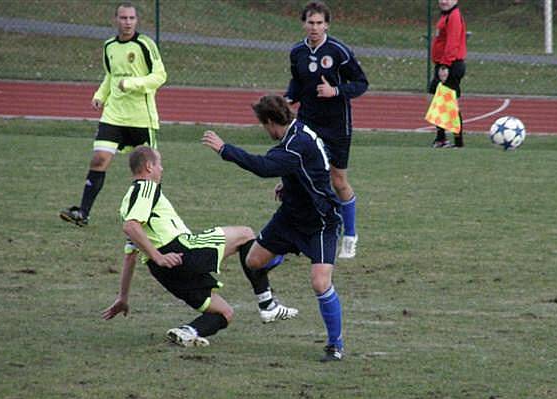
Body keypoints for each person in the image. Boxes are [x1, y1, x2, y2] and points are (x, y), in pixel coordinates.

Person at [102, 146, 298, 347]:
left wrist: (123, 297)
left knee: (224, 313)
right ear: (149, 167)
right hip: (181, 252)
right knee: (245, 234)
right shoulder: (145, 187)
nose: (162, 169)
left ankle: (188, 332)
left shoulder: (127, 203)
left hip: (164, 271)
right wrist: (159, 255)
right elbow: (131, 226)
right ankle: (267, 304)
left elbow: (130, 255)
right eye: (160, 164)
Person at [201, 95, 345, 362]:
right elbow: (310, 166)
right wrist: (291, 184)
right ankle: (276, 267)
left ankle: (335, 345)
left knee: (320, 282)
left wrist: (225, 149)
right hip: (290, 216)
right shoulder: (298, 131)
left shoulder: (293, 144)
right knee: (254, 261)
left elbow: (264, 167)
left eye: (262, 125)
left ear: (270, 122)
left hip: (320, 221)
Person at [60, 2, 166, 227]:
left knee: (149, 167)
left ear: (136, 21)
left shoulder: (145, 44)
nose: (127, 22)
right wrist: (100, 94)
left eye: (131, 18)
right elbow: (110, 76)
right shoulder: (109, 46)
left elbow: (160, 76)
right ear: (116, 20)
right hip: (114, 115)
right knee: (99, 159)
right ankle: (83, 213)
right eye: (123, 18)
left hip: (141, 117)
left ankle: (154, 215)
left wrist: (133, 83)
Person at [285, 1, 368, 259]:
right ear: (303, 24)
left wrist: (336, 91)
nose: (315, 27)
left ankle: (350, 235)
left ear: (327, 25)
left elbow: (361, 83)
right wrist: (288, 99)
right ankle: (303, 236)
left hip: (336, 126)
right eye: (311, 22)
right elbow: (297, 83)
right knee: (304, 179)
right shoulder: (297, 52)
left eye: (320, 23)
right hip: (308, 123)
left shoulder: (338, 51)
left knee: (338, 180)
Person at [429, 0, 467, 148]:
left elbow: (453, 42)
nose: (444, 1)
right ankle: (441, 138)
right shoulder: (446, 15)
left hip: (450, 65)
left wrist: (445, 66)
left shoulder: (454, 16)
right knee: (440, 101)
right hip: (443, 64)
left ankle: (457, 142)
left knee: (449, 103)